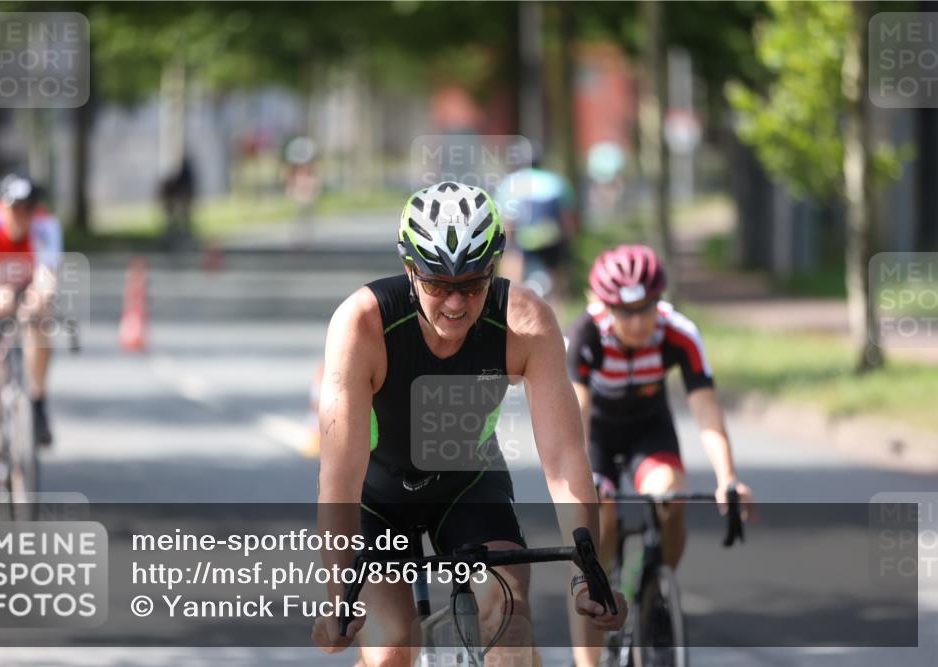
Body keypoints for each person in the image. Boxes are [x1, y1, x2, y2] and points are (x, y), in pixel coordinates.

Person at [312, 181, 627, 666]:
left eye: (473, 285)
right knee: (393, 645)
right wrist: (337, 593)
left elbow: (565, 460)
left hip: (468, 486)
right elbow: (339, 477)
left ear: (495, 270)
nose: (456, 304)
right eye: (438, 285)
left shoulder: (525, 321)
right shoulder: (361, 324)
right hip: (377, 499)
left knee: (510, 622)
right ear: (409, 269)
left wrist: (590, 575)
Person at [564, 244, 753, 667]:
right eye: (624, 311)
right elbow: (577, 416)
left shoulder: (679, 331)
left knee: (671, 496)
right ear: (603, 304)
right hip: (598, 436)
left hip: (649, 430)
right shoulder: (586, 335)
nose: (636, 321)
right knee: (599, 519)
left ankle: (656, 589)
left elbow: (705, 407)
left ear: (659, 301)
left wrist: (728, 477)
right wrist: (583, 484)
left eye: (645, 308)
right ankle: (590, 642)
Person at [0, 175, 62, 499]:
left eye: (28, 209)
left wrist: (38, 297)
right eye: (15, 208)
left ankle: (38, 399)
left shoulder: (44, 226)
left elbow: (48, 275)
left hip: (23, 296)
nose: (22, 216)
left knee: (43, 323)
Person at [495, 150, 578, 315]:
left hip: (525, 237)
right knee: (556, 277)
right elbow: (568, 218)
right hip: (551, 236)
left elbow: (507, 220)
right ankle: (558, 314)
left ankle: (508, 308)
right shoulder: (557, 181)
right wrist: (568, 243)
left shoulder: (510, 182)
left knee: (511, 263)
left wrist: (508, 247)